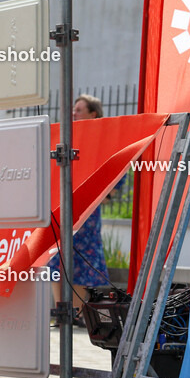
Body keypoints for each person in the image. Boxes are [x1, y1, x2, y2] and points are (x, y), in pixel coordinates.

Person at [51, 94, 110, 326]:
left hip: (87, 210)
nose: (73, 113)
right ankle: (61, 314)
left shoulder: (101, 138)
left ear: (92, 113)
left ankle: (77, 314)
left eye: (78, 109)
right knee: (57, 258)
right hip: (63, 206)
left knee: (83, 261)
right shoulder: (66, 135)